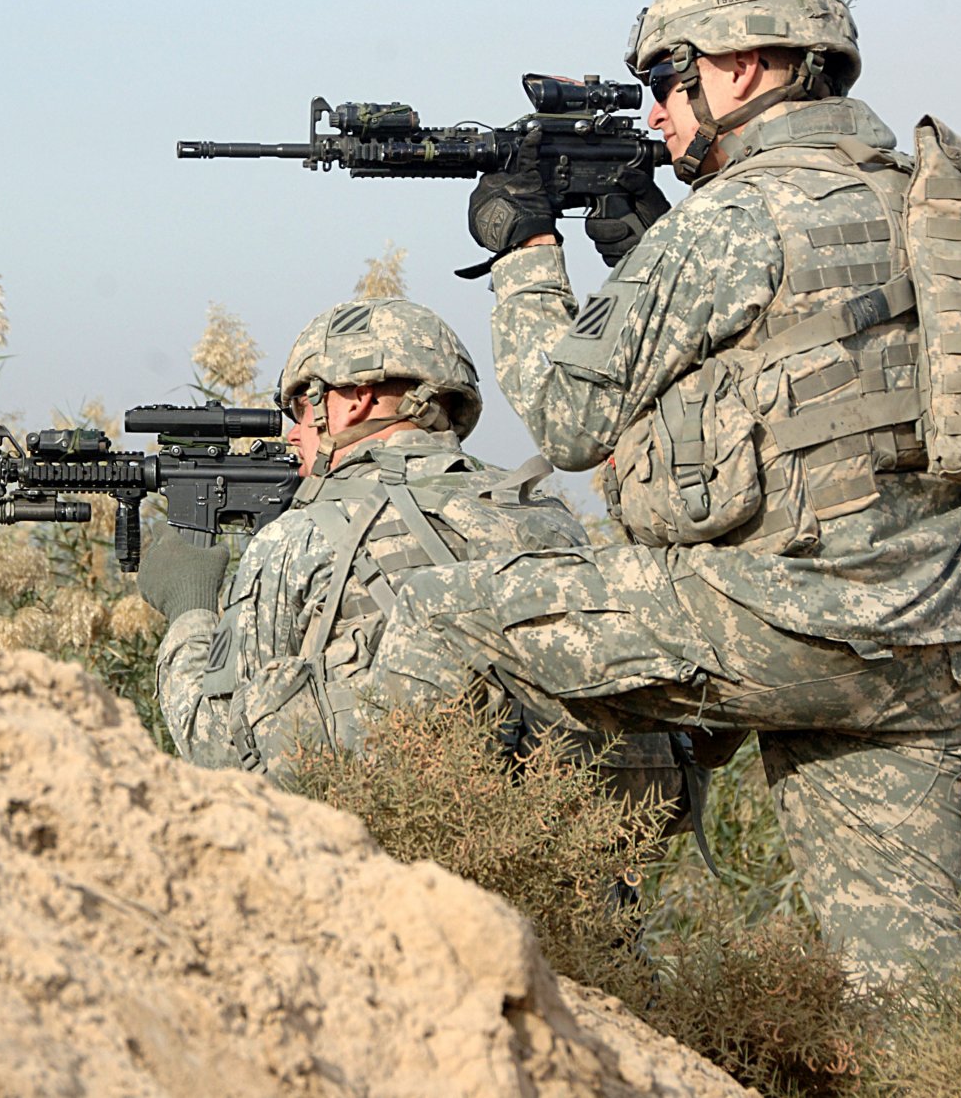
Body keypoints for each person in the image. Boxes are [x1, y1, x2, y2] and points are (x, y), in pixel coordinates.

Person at [369, 0, 961, 987]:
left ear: (749, 67)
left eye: (667, 82)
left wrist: (526, 249)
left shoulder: (737, 218)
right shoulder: (912, 196)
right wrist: (645, 241)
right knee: (922, 989)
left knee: (434, 616)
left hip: (785, 616)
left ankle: (416, 931)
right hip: (928, 640)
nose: (656, 114)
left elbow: (566, 414)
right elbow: (792, 349)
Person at [135, 297, 694, 823]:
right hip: (571, 881)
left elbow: (222, 753)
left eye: (304, 404)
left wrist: (187, 610)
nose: (294, 429)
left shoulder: (298, 539)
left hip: (397, 891)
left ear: (353, 399)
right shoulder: (543, 514)